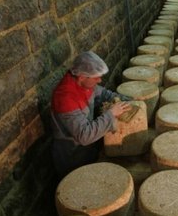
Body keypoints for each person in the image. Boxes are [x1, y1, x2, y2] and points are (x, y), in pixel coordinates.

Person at [50, 51, 132, 179]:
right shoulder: (65, 99)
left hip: (88, 150)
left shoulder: (85, 83)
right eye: (96, 77)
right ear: (82, 76)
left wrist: (128, 100)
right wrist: (111, 114)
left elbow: (105, 94)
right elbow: (85, 135)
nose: (100, 80)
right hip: (73, 155)